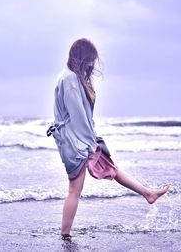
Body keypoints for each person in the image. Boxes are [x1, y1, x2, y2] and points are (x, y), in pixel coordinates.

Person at [48, 38, 169, 241]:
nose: (92, 65)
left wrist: (92, 139)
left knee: (111, 168)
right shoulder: (69, 80)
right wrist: (88, 145)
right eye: (90, 61)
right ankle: (65, 236)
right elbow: (77, 116)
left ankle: (148, 193)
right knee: (74, 190)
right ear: (82, 58)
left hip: (82, 139)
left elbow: (82, 116)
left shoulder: (73, 78)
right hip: (76, 142)